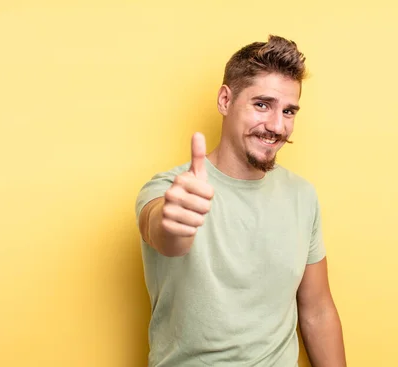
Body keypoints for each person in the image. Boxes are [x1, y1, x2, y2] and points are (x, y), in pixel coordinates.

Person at [135, 34, 346, 366]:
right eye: (262, 104)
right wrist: (172, 222)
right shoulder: (170, 189)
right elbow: (161, 231)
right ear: (224, 100)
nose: (277, 126)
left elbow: (317, 309)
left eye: (289, 111)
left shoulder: (303, 196)